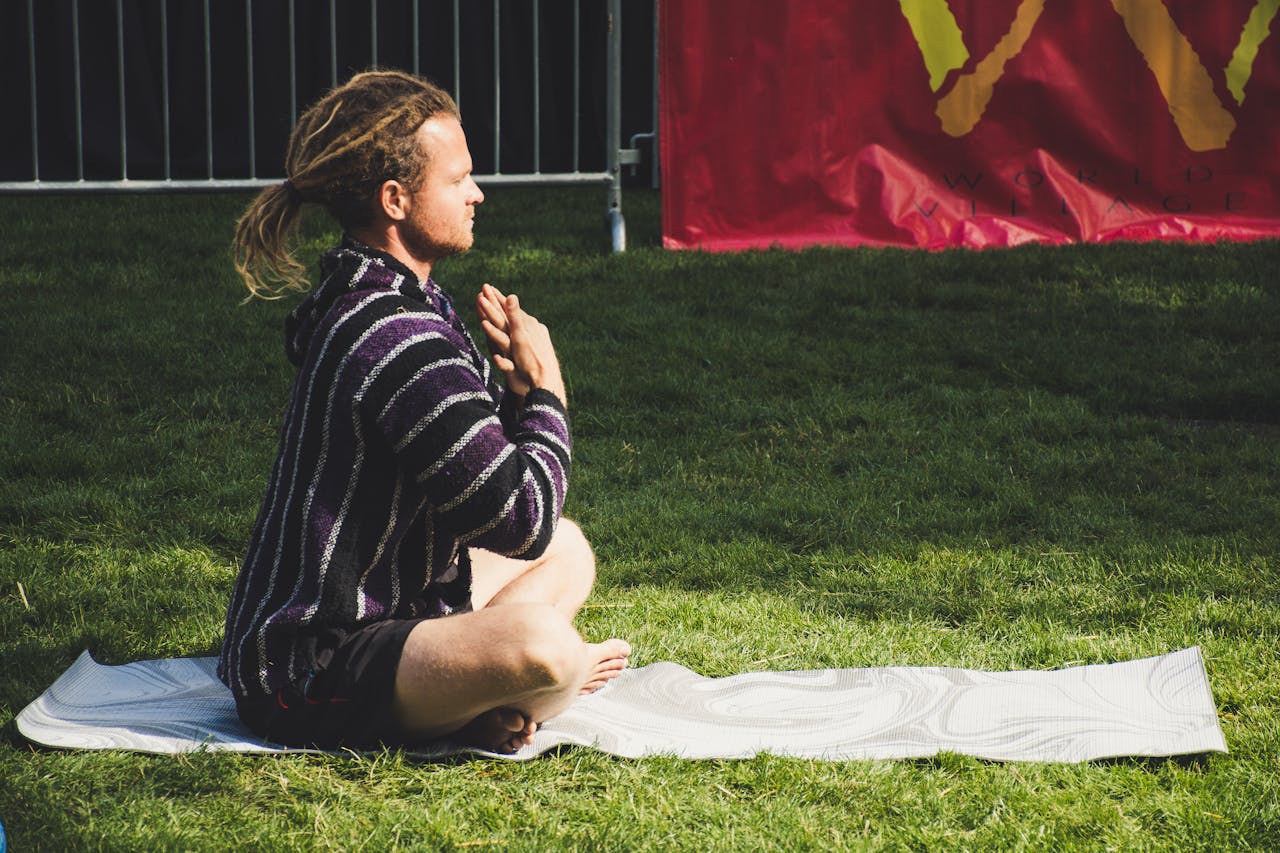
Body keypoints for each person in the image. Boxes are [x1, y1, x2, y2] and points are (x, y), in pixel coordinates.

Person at [219, 69, 629, 755]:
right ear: (396, 199)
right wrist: (549, 389)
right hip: (306, 669)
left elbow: (491, 487)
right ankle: (533, 692)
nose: (477, 193)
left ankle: (468, 703)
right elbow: (520, 517)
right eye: (458, 179)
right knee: (547, 648)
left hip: (399, 601)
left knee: (571, 547)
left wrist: (521, 399)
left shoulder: (392, 299)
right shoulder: (399, 336)